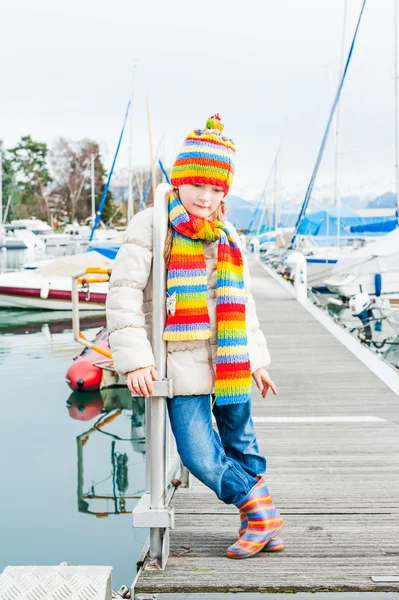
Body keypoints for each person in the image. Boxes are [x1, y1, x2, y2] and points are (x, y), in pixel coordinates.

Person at [106, 114, 284, 559]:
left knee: (242, 444)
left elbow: (242, 302)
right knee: (197, 454)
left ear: (225, 192)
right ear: (181, 180)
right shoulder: (151, 225)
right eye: (198, 185)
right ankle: (259, 509)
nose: (206, 197)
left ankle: (258, 524)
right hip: (179, 362)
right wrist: (137, 361)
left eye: (217, 189)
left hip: (231, 358)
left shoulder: (226, 233)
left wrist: (257, 360)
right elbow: (125, 295)